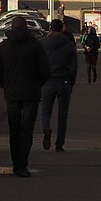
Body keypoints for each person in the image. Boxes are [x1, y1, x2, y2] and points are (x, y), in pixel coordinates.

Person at [0, 15, 50, 177]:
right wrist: (37, 84)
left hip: (11, 94)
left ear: (11, 28)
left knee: (14, 129)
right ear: (26, 28)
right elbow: (45, 70)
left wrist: (6, 85)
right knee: (27, 130)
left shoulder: (3, 47)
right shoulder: (34, 45)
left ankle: (15, 162)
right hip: (31, 94)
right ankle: (22, 164)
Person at [39, 19, 77, 152]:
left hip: (47, 81)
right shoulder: (68, 44)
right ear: (62, 29)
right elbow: (74, 67)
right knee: (63, 114)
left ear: (50, 29)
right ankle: (59, 144)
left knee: (45, 111)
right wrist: (71, 81)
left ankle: (46, 129)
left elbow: (39, 64)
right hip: (64, 82)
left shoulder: (43, 44)